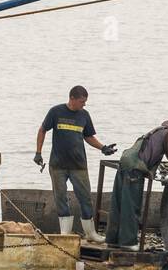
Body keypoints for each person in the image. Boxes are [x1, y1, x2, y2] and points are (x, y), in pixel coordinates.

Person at [107, 113, 168, 250]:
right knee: (131, 206)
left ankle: (112, 240)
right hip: (134, 168)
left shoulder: (159, 130)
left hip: (125, 163)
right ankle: (128, 243)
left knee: (118, 204)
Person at [34, 85, 117, 243]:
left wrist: (103, 148)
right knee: (61, 198)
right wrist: (38, 152)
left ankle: (90, 233)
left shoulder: (84, 115)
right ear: (72, 98)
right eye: (82, 101)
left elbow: (89, 136)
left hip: (79, 166)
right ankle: (65, 233)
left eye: (85, 102)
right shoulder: (56, 112)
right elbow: (42, 130)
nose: (84, 104)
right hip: (57, 165)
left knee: (85, 198)